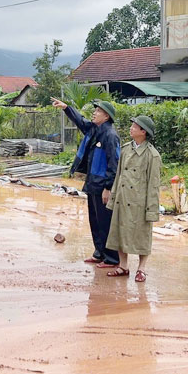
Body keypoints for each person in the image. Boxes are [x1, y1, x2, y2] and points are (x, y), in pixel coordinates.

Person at [51, 97, 121, 268]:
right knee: (95, 221)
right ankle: (99, 253)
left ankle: (111, 258)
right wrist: (66, 108)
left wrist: (108, 187)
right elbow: (80, 121)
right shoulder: (94, 129)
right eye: (95, 110)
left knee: (105, 222)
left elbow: (114, 164)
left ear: (106, 116)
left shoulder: (110, 135)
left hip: (102, 185)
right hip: (92, 182)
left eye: (98, 111)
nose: (94, 113)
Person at [104, 115, 161, 282]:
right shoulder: (126, 149)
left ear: (143, 132)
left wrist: (152, 210)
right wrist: (113, 197)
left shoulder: (152, 155)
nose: (131, 128)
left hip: (140, 203)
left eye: (135, 126)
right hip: (122, 199)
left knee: (142, 235)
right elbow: (119, 176)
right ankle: (123, 266)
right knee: (119, 232)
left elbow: (154, 185)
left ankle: (141, 269)